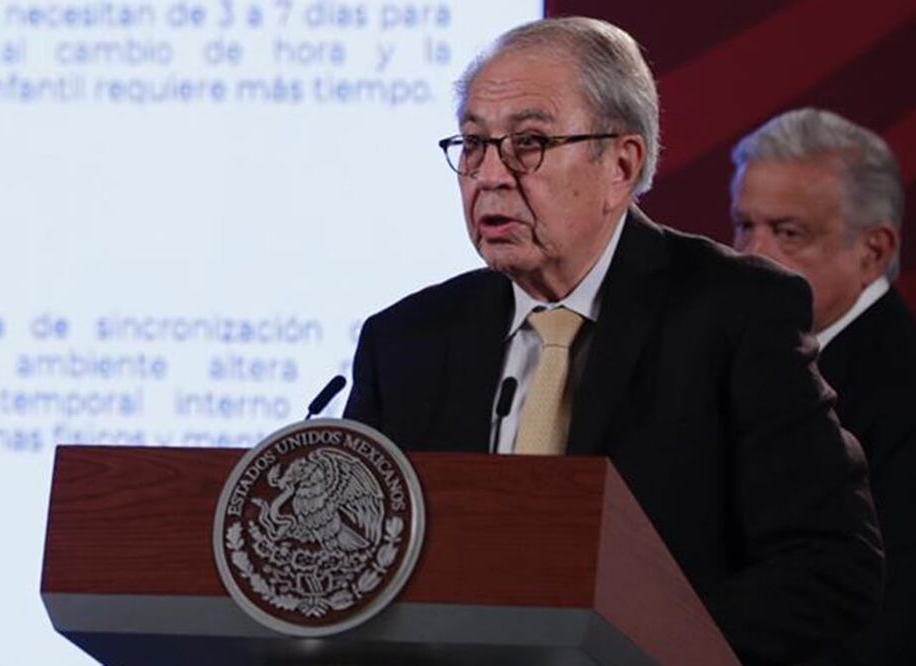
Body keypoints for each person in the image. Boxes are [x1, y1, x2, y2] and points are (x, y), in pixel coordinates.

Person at [343, 17, 883, 666]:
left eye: (528, 142)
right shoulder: (405, 342)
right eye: (473, 144)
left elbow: (829, 563)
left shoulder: (736, 314)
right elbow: (355, 569)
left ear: (620, 165)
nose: (488, 174)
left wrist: (645, 650)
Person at [730, 108, 915, 665]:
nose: (752, 254)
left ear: (873, 251)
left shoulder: (901, 391)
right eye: (744, 225)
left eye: (789, 233)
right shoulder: (752, 361)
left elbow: (886, 618)